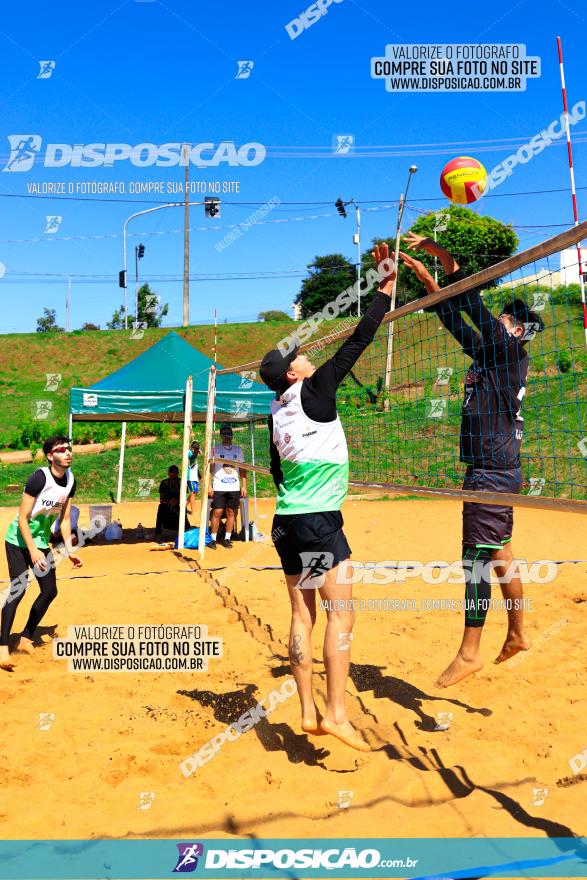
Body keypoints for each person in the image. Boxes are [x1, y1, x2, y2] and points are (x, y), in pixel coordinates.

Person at [259, 242, 396, 752]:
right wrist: (383, 287)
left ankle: (309, 712)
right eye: (299, 356)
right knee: (342, 614)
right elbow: (359, 341)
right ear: (295, 373)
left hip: (287, 521)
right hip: (317, 521)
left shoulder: (276, 412)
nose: (306, 353)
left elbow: (275, 471)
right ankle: (337, 714)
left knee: (301, 615)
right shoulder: (314, 391)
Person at [400, 231, 544, 688]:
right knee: (497, 553)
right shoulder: (490, 354)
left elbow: (472, 304)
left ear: (517, 330)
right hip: (493, 468)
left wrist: (441, 256)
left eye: (503, 320)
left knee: (475, 560)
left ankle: (469, 651)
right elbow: (452, 315)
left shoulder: (507, 353)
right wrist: (427, 278)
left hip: (491, 471)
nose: (496, 322)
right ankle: (519, 634)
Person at [1, 436, 82, 671]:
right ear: (50, 456)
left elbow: (65, 520)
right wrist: (33, 550)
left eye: (69, 449)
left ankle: (26, 637)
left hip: (39, 543)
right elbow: (23, 518)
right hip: (17, 540)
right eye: (61, 450)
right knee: (18, 589)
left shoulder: (70, 481)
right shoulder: (39, 478)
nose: (67, 453)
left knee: (49, 590)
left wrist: (69, 549)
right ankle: (2, 647)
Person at [208, 425, 247, 550]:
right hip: (219, 486)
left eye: (229, 434)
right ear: (221, 435)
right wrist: (209, 485)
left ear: (232, 435)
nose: (227, 436)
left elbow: (242, 469)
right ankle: (213, 539)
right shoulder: (215, 449)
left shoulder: (238, 450)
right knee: (217, 512)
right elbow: (209, 469)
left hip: (234, 487)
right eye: (224, 434)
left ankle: (227, 538)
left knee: (231, 512)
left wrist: (244, 485)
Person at [155, 465, 190, 537]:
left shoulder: (182, 483)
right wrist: (169, 502)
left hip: (178, 504)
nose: (173, 474)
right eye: (172, 472)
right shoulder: (164, 483)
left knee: (183, 508)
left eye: (175, 473)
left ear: (178, 473)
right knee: (161, 507)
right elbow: (161, 499)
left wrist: (177, 501)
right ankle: (158, 532)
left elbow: (184, 497)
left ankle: (185, 530)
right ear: (168, 473)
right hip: (167, 505)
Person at [187, 440, 201, 515]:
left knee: (194, 493)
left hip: (194, 477)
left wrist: (200, 477)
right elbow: (193, 456)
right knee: (193, 493)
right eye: (194, 448)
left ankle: (182, 507)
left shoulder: (194, 454)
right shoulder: (188, 452)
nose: (195, 450)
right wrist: (197, 451)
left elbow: (196, 468)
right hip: (190, 477)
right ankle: (193, 511)